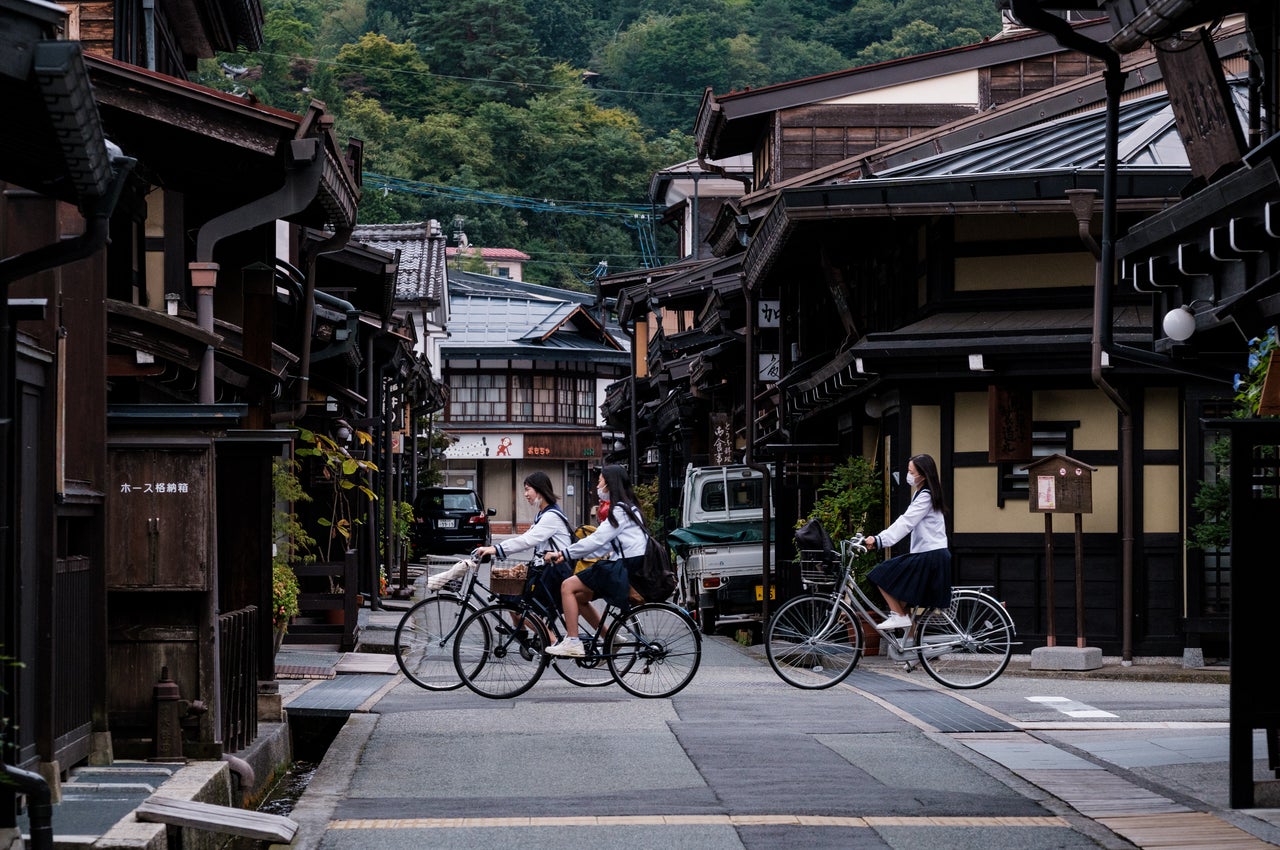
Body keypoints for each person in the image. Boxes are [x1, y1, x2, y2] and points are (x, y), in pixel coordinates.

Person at [543, 465, 647, 657]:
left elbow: (597, 539)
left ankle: (572, 642)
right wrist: (577, 554)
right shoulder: (630, 508)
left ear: (609, 484)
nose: (597, 486)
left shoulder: (619, 510)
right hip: (627, 565)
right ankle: (610, 638)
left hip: (620, 568)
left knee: (567, 587)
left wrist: (564, 554)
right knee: (579, 597)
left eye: (599, 481)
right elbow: (605, 545)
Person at [864, 453, 952, 631]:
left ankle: (898, 617)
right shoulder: (924, 494)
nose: (908, 475)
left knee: (881, 575)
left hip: (930, 556)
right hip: (930, 555)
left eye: (911, 472)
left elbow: (906, 522)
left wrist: (880, 540)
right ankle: (911, 651)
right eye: (908, 471)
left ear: (923, 475)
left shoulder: (925, 496)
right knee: (902, 602)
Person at [472, 471, 574, 621]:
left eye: (528, 489)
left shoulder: (551, 516)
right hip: (545, 570)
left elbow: (527, 540)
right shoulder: (543, 514)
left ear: (540, 490)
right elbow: (525, 539)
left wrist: (495, 549)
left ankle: (551, 641)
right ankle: (522, 634)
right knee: (508, 595)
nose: (525, 494)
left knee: (519, 605)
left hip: (555, 573)